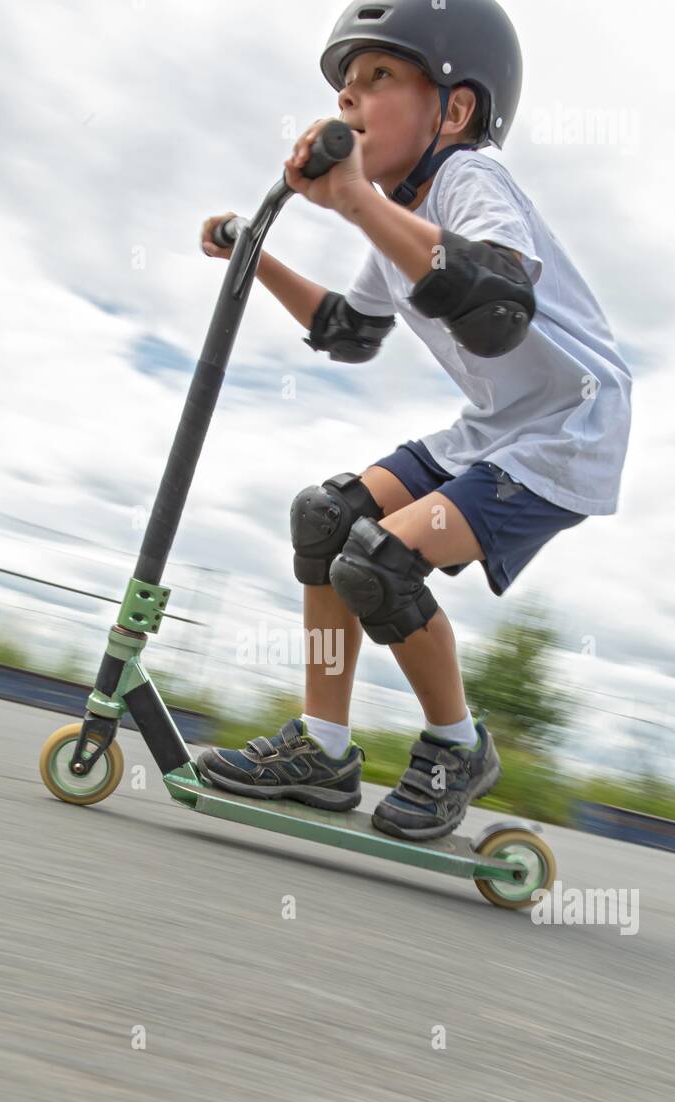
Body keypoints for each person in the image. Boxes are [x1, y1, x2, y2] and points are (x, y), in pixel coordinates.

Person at [196, 0, 632, 842]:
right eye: (345, 85)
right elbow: (348, 334)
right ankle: (322, 749)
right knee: (326, 520)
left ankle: (458, 746)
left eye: (380, 77)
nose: (349, 101)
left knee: (381, 562)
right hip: (494, 425)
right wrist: (258, 251)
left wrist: (357, 200)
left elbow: (495, 302)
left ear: (455, 109)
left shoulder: (472, 181)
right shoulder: (397, 210)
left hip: (569, 435)